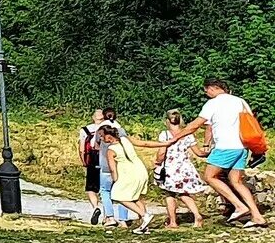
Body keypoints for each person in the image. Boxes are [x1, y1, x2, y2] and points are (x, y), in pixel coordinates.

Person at [167, 78, 266, 231]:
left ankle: (239, 206)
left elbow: (195, 125)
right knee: (236, 181)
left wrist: (175, 138)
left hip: (225, 146)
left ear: (213, 88)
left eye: (206, 90)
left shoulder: (213, 103)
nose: (206, 93)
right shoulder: (240, 101)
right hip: (242, 146)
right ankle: (257, 216)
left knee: (209, 176)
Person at [135, 109, 212, 231]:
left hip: (170, 169)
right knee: (184, 193)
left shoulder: (165, 135)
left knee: (169, 193)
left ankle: (173, 221)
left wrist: (157, 162)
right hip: (185, 168)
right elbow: (198, 152)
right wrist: (208, 152)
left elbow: (162, 152)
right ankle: (197, 215)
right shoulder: (188, 135)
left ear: (167, 121)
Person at [98, 120, 154, 231]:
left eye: (101, 136)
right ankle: (144, 225)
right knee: (135, 197)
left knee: (117, 195)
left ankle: (144, 215)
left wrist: (115, 181)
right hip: (140, 169)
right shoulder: (125, 139)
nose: (100, 138)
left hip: (128, 173)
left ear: (108, 137)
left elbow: (113, 169)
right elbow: (144, 144)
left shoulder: (111, 149)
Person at [78, 107, 115, 226]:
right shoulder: (110, 128)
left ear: (93, 118)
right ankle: (106, 216)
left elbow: (82, 148)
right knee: (106, 190)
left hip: (93, 158)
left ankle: (95, 207)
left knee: (91, 188)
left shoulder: (85, 129)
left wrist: (84, 161)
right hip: (107, 157)